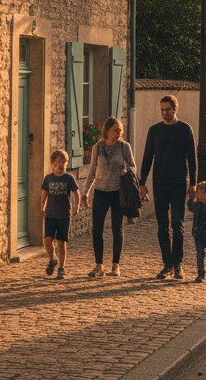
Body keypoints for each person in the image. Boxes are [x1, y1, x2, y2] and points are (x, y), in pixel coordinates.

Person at [139, 94, 197, 280]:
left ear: (175, 109)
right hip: (160, 183)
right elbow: (147, 157)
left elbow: (192, 159)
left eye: (167, 110)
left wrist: (193, 183)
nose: (164, 113)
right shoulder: (154, 131)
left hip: (178, 182)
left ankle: (178, 263)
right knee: (162, 226)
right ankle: (168, 264)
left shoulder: (185, 129)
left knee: (177, 224)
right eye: (162, 110)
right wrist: (142, 183)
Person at [83, 116, 137, 278]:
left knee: (117, 229)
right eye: (115, 130)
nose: (118, 133)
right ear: (107, 131)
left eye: (120, 131)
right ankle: (99, 265)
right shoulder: (97, 148)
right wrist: (86, 192)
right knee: (97, 230)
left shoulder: (124, 147)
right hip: (100, 192)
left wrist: (127, 170)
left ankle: (115, 265)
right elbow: (92, 171)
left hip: (117, 192)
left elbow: (133, 166)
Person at [41, 149, 80, 280]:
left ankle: (61, 268)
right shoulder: (48, 178)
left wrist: (77, 206)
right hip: (50, 214)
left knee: (61, 242)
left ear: (66, 163)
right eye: (57, 162)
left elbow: (76, 192)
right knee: (47, 240)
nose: (60, 165)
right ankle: (52, 259)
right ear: (52, 164)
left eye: (62, 162)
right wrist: (42, 207)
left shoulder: (69, 178)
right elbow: (44, 194)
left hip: (64, 215)